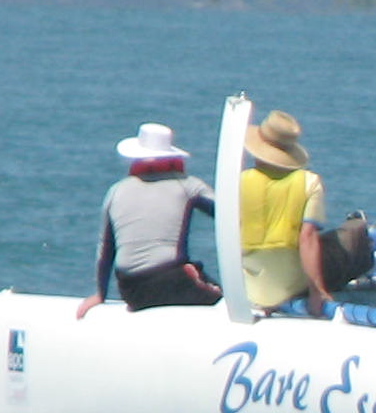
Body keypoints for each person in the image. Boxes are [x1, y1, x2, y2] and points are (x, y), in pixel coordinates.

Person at [76, 123, 221, 317]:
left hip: (132, 291)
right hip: (173, 284)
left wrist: (100, 294)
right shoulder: (188, 185)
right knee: (222, 301)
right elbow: (227, 217)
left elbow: (106, 249)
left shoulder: (116, 191)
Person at [240, 108, 332, 314]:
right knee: (352, 237)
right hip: (291, 285)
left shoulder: (238, 182)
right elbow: (307, 238)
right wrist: (317, 291)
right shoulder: (309, 182)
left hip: (249, 286)